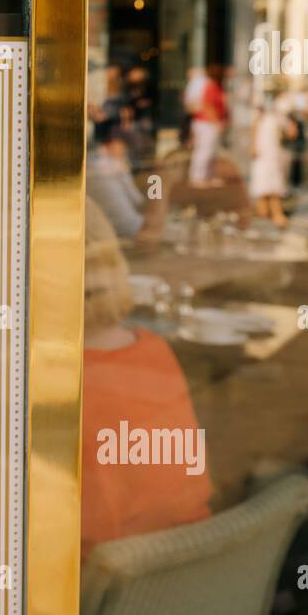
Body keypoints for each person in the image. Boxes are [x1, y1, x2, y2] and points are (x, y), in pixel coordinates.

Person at [80, 199, 214, 554]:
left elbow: (86, 542)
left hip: (109, 589)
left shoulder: (59, 383)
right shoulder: (154, 348)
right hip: (187, 565)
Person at [249, 95, 289, 227]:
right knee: (268, 185)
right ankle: (274, 214)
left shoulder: (272, 117)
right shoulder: (267, 117)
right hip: (267, 155)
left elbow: (290, 131)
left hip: (270, 155)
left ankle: (271, 213)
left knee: (268, 184)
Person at [188, 62, 227, 187]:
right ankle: (198, 176)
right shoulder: (211, 86)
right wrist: (216, 123)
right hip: (206, 123)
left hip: (210, 123)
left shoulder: (215, 86)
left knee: (211, 151)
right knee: (204, 150)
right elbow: (207, 106)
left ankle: (208, 175)